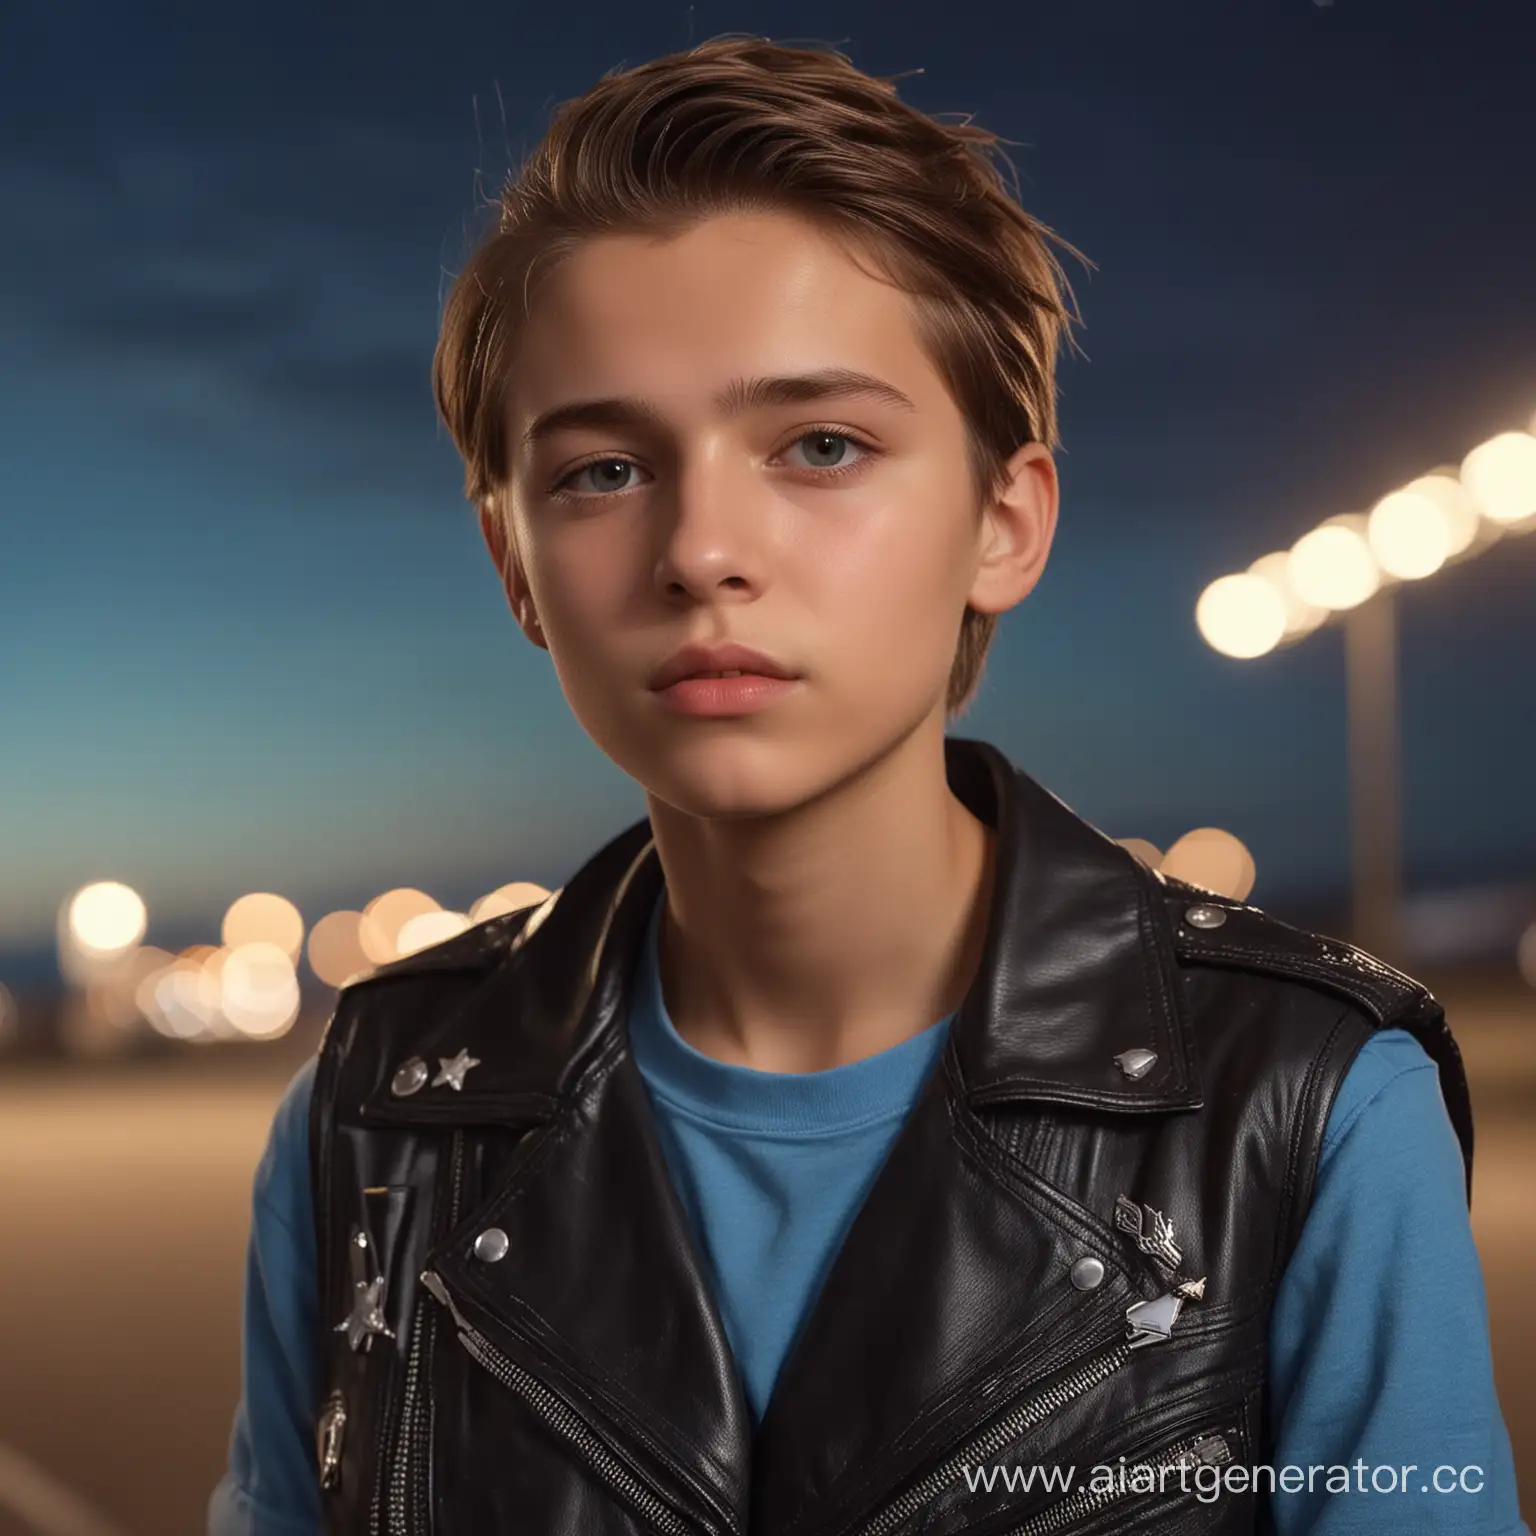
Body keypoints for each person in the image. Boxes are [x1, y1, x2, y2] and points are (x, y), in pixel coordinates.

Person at [209, 36, 1526, 1536]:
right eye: (602, 471)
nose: (705, 548)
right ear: (515, 562)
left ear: (1004, 520)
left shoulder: (1306, 1101)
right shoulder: (371, 1124)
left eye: (821, 445)